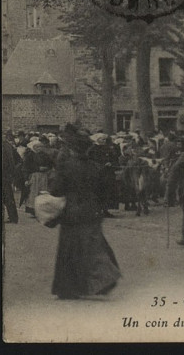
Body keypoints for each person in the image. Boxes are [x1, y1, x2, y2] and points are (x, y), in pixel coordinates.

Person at [50, 125, 121, 299]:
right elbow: (105, 191)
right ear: (89, 148)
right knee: (95, 246)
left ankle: (69, 288)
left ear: (72, 148)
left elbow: (56, 190)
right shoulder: (96, 167)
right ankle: (105, 280)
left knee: (69, 249)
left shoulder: (65, 166)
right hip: (92, 211)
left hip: (72, 211)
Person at [2, 135, 21, 224]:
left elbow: (16, 160)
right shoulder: (8, 145)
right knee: (7, 196)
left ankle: (13, 217)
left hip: (4, 174)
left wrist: (12, 172)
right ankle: (13, 217)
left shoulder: (6, 146)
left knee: (7, 196)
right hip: (6, 175)